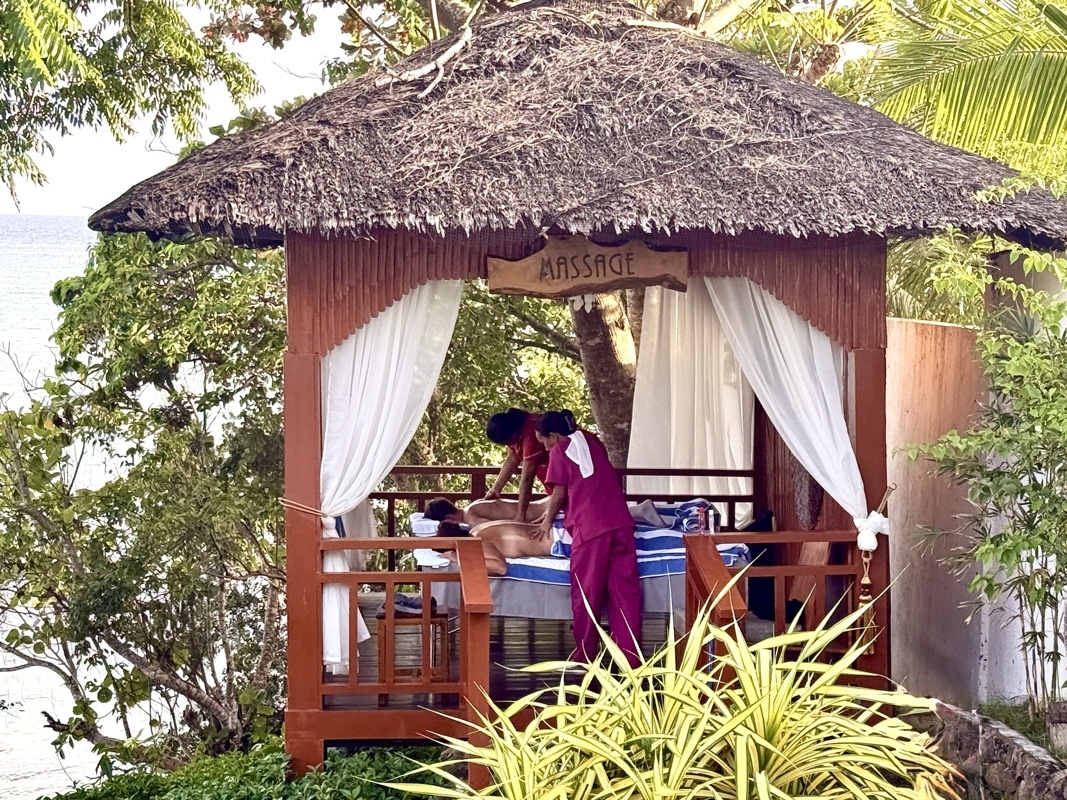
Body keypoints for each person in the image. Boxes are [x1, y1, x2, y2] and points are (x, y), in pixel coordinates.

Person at [534, 410, 642, 667]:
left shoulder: (560, 450)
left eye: (544, 442)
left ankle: (585, 655)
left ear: (554, 436)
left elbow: (559, 493)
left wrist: (547, 521)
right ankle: (631, 658)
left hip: (591, 529)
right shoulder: (592, 441)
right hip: (621, 524)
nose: (546, 448)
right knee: (625, 594)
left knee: (586, 594)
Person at [430, 519, 562, 577]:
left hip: (559, 540)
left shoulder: (478, 540)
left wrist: (458, 558)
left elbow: (501, 568)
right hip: (557, 530)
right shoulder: (477, 530)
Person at [485, 408, 549, 521]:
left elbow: (527, 479)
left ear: (513, 435)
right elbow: (512, 458)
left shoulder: (530, 435)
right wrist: (495, 489)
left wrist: (521, 514)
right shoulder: (514, 428)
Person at [423, 495, 551, 527]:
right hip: (546, 503)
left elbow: (504, 528)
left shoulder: (471, 518)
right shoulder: (473, 505)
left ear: (450, 518)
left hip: (547, 513)